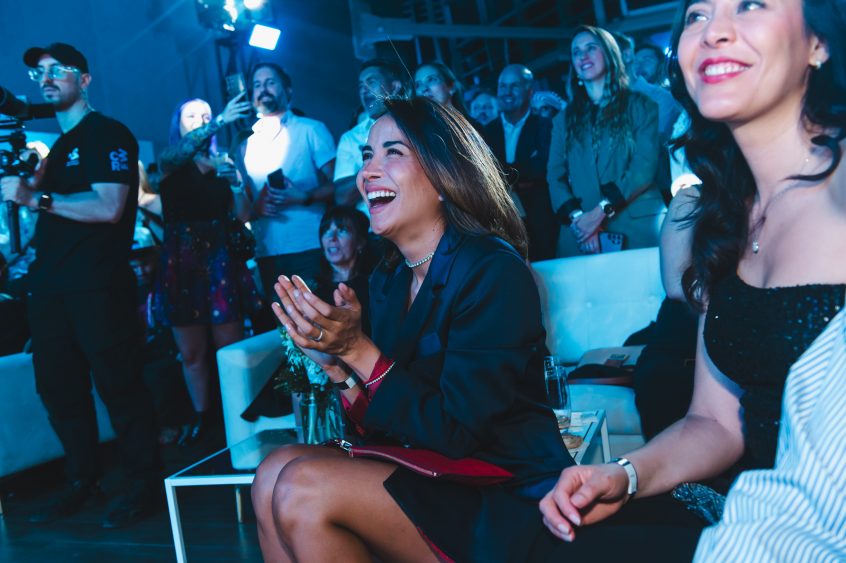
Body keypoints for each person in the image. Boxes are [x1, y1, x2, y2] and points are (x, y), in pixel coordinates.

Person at [537, 0, 845, 560]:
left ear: (819, 42)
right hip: (748, 504)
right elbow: (714, 422)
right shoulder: (724, 216)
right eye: (697, 15)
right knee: (545, 540)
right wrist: (623, 474)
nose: (713, 32)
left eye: (750, 5)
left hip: (809, 533)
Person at [251, 97, 573, 562]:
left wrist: (358, 349)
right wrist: (338, 367)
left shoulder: (492, 270)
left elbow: (456, 432)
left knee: (302, 487)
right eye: (367, 156)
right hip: (429, 466)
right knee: (271, 472)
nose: (368, 171)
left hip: (502, 487)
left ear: (443, 176)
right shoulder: (389, 279)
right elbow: (389, 425)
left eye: (393, 153)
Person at [0, 43, 161, 528]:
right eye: (40, 73)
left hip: (97, 287)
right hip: (50, 289)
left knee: (120, 386)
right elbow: (46, 213)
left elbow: (110, 207)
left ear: (85, 80)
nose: (46, 78)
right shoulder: (56, 150)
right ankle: (83, 481)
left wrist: (36, 198)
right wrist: (28, 191)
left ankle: (144, 485)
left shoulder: (107, 134)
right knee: (59, 388)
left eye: (58, 70)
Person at [151, 96, 262, 445]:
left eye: (206, 115)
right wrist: (221, 120)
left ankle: (238, 416)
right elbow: (178, 155)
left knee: (229, 348)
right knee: (191, 352)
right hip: (182, 263)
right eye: (193, 115)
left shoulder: (223, 160)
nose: (201, 120)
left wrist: (235, 183)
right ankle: (203, 418)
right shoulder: (170, 160)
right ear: (179, 123)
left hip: (218, 262)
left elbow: (244, 214)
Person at [548, 26, 665, 257]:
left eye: (591, 48)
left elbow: (644, 167)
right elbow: (554, 175)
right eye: (576, 52)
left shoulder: (642, 106)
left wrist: (600, 212)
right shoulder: (563, 119)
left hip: (635, 225)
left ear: (610, 54)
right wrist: (580, 219)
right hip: (579, 232)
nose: (583, 56)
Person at [235, 62, 337, 300]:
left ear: (287, 89)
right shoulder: (245, 143)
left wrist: (304, 196)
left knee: (315, 315)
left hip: (310, 244)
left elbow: (339, 186)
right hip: (267, 251)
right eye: (257, 85)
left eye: (270, 82)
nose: (263, 89)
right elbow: (243, 206)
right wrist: (256, 209)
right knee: (280, 321)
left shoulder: (311, 129)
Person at [484, 64, 559, 261]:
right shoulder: (485, 131)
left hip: (540, 222)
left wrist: (501, 172)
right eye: (502, 86)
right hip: (499, 224)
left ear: (530, 91)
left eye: (514, 86)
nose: (507, 92)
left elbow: (542, 168)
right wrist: (524, 170)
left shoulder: (545, 126)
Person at [334, 59, 406, 209]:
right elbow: (342, 197)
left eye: (371, 82)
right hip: (372, 223)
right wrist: (373, 162)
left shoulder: (417, 125)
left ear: (394, 87)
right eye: (360, 86)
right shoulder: (351, 138)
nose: (364, 90)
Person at [313, 205, 373, 333]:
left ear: (360, 242)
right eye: (326, 231)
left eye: (342, 230)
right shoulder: (315, 290)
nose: (332, 238)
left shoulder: (374, 285)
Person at [413, 62, 480, 130]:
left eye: (431, 80)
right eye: (418, 85)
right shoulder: (416, 130)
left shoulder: (473, 127)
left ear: (451, 86)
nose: (424, 89)